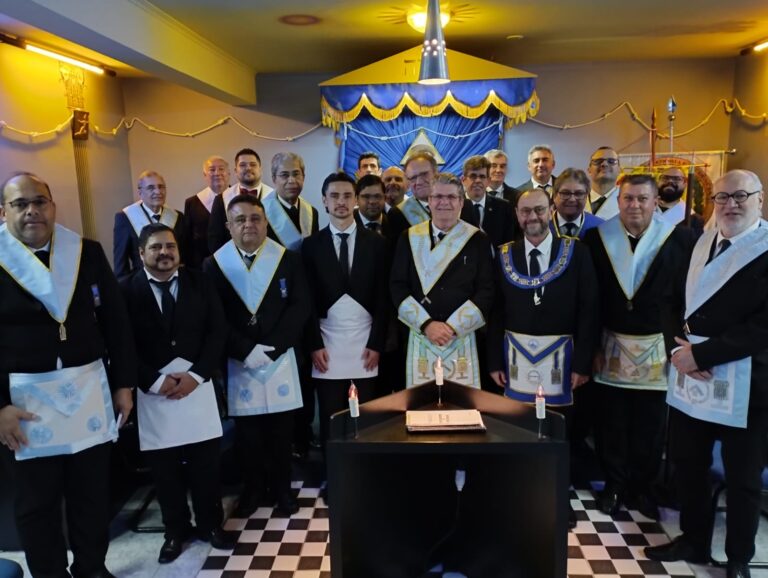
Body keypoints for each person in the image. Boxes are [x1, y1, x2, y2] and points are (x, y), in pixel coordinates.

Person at [0, 172, 135, 578]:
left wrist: (124, 383)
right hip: (24, 405)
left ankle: (92, 568)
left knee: (91, 496)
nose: (32, 211)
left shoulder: (85, 252)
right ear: (4, 212)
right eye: (20, 204)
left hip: (88, 392)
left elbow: (116, 322)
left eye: (39, 201)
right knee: (36, 504)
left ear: (53, 206)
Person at [645, 170, 768, 578]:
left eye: (741, 196)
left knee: (742, 477)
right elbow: (669, 301)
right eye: (723, 197)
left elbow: (762, 326)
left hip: (747, 384)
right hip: (689, 374)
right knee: (688, 464)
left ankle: (738, 559)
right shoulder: (699, 243)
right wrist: (675, 349)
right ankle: (694, 540)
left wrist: (701, 354)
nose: (731, 204)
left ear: (760, 199)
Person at [119, 223, 236, 563]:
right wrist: (154, 381)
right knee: (165, 471)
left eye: (170, 246)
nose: (164, 253)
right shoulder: (125, 289)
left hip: (197, 387)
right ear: (141, 253)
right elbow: (122, 343)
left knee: (206, 466)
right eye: (156, 247)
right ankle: (175, 531)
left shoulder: (201, 281)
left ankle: (211, 525)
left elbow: (217, 331)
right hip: (153, 392)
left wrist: (197, 375)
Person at [488, 186, 599, 527]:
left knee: (559, 432)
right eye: (525, 211)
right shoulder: (505, 254)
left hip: (562, 362)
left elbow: (590, 309)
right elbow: (495, 311)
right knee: (517, 428)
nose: (532, 217)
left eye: (538, 210)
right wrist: (493, 361)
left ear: (550, 210)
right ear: (516, 215)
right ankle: (520, 493)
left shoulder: (576, 252)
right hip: (515, 360)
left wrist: (583, 363)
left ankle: (557, 496)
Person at [584, 173, 693, 521]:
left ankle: (642, 487)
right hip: (611, 344)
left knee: (651, 424)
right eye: (628, 198)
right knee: (611, 422)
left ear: (654, 202)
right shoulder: (597, 239)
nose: (635, 205)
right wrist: (591, 346)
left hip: (657, 348)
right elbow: (590, 299)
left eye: (642, 199)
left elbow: (687, 298)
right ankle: (615, 485)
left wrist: (680, 346)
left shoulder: (680, 239)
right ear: (618, 201)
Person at [203, 194, 310, 518]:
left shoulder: (288, 260)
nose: (248, 224)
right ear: (229, 226)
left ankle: (282, 490)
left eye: (255, 218)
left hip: (280, 358)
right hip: (240, 360)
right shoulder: (214, 265)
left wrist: (273, 348)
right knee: (248, 435)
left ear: (265, 222)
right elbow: (214, 317)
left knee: (281, 432)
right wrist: (245, 350)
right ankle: (252, 490)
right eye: (240, 219)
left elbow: (300, 307)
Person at [302, 173, 389, 457]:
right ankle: (334, 475)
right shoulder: (310, 246)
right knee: (332, 419)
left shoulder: (377, 243)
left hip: (366, 345)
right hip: (326, 345)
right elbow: (306, 302)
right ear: (324, 201)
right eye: (334, 196)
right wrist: (314, 344)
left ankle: (365, 475)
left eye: (347, 196)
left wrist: (376, 343)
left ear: (356, 201)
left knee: (365, 419)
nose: (341, 202)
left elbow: (383, 299)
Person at [390, 173, 494, 389]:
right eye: (438, 196)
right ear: (429, 201)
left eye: (451, 197)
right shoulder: (408, 237)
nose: (444, 202)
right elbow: (397, 286)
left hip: (463, 336)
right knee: (420, 403)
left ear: (461, 202)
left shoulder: (478, 239)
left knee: (461, 403)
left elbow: (486, 289)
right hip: (419, 334)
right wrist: (427, 324)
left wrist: (453, 327)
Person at [114, 170, 185, 279]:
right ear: (140, 192)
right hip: (142, 283)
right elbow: (121, 264)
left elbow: (184, 255)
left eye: (161, 187)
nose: (158, 192)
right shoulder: (125, 218)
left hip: (174, 280)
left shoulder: (177, 217)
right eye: (151, 188)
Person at [207, 148, 274, 253]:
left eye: (253, 164)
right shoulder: (221, 199)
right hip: (232, 259)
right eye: (242, 165)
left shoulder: (274, 197)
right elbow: (214, 239)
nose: (248, 168)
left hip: (269, 257)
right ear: (235, 171)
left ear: (260, 169)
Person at [260, 152, 319, 251]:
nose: (291, 180)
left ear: (303, 177)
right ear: (274, 179)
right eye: (284, 175)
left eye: (296, 174)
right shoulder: (261, 213)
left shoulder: (312, 213)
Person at [459, 155, 517, 250]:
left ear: (488, 181)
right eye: (473, 176)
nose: (478, 180)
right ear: (463, 180)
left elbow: (508, 244)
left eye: (482, 177)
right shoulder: (455, 207)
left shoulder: (504, 207)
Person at [183, 155, 230, 269]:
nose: (217, 173)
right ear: (205, 175)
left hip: (233, 262)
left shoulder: (239, 199)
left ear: (229, 173)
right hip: (201, 266)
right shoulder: (192, 203)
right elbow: (188, 239)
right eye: (212, 170)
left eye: (221, 169)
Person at [353, 173, 410, 248]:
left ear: (385, 198)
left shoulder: (396, 224)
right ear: (356, 199)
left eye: (377, 196)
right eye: (366, 197)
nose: (372, 201)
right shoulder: (345, 224)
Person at [550, 168, 604, 240]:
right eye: (565, 193)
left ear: (586, 197)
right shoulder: (542, 226)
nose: (572, 199)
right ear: (554, 196)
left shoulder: (601, 228)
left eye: (579, 193)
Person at [656, 166, 705, 238]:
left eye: (676, 179)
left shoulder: (694, 220)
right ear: (658, 182)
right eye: (665, 178)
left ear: (685, 184)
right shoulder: (646, 210)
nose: (670, 181)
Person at [399, 152, 437, 226]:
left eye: (424, 174)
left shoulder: (459, 205)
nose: (419, 182)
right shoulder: (398, 214)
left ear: (436, 173)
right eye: (413, 178)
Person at [586, 146, 621, 220]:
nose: (604, 164)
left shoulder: (629, 202)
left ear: (619, 170)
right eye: (598, 161)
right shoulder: (576, 200)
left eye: (611, 161)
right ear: (589, 170)